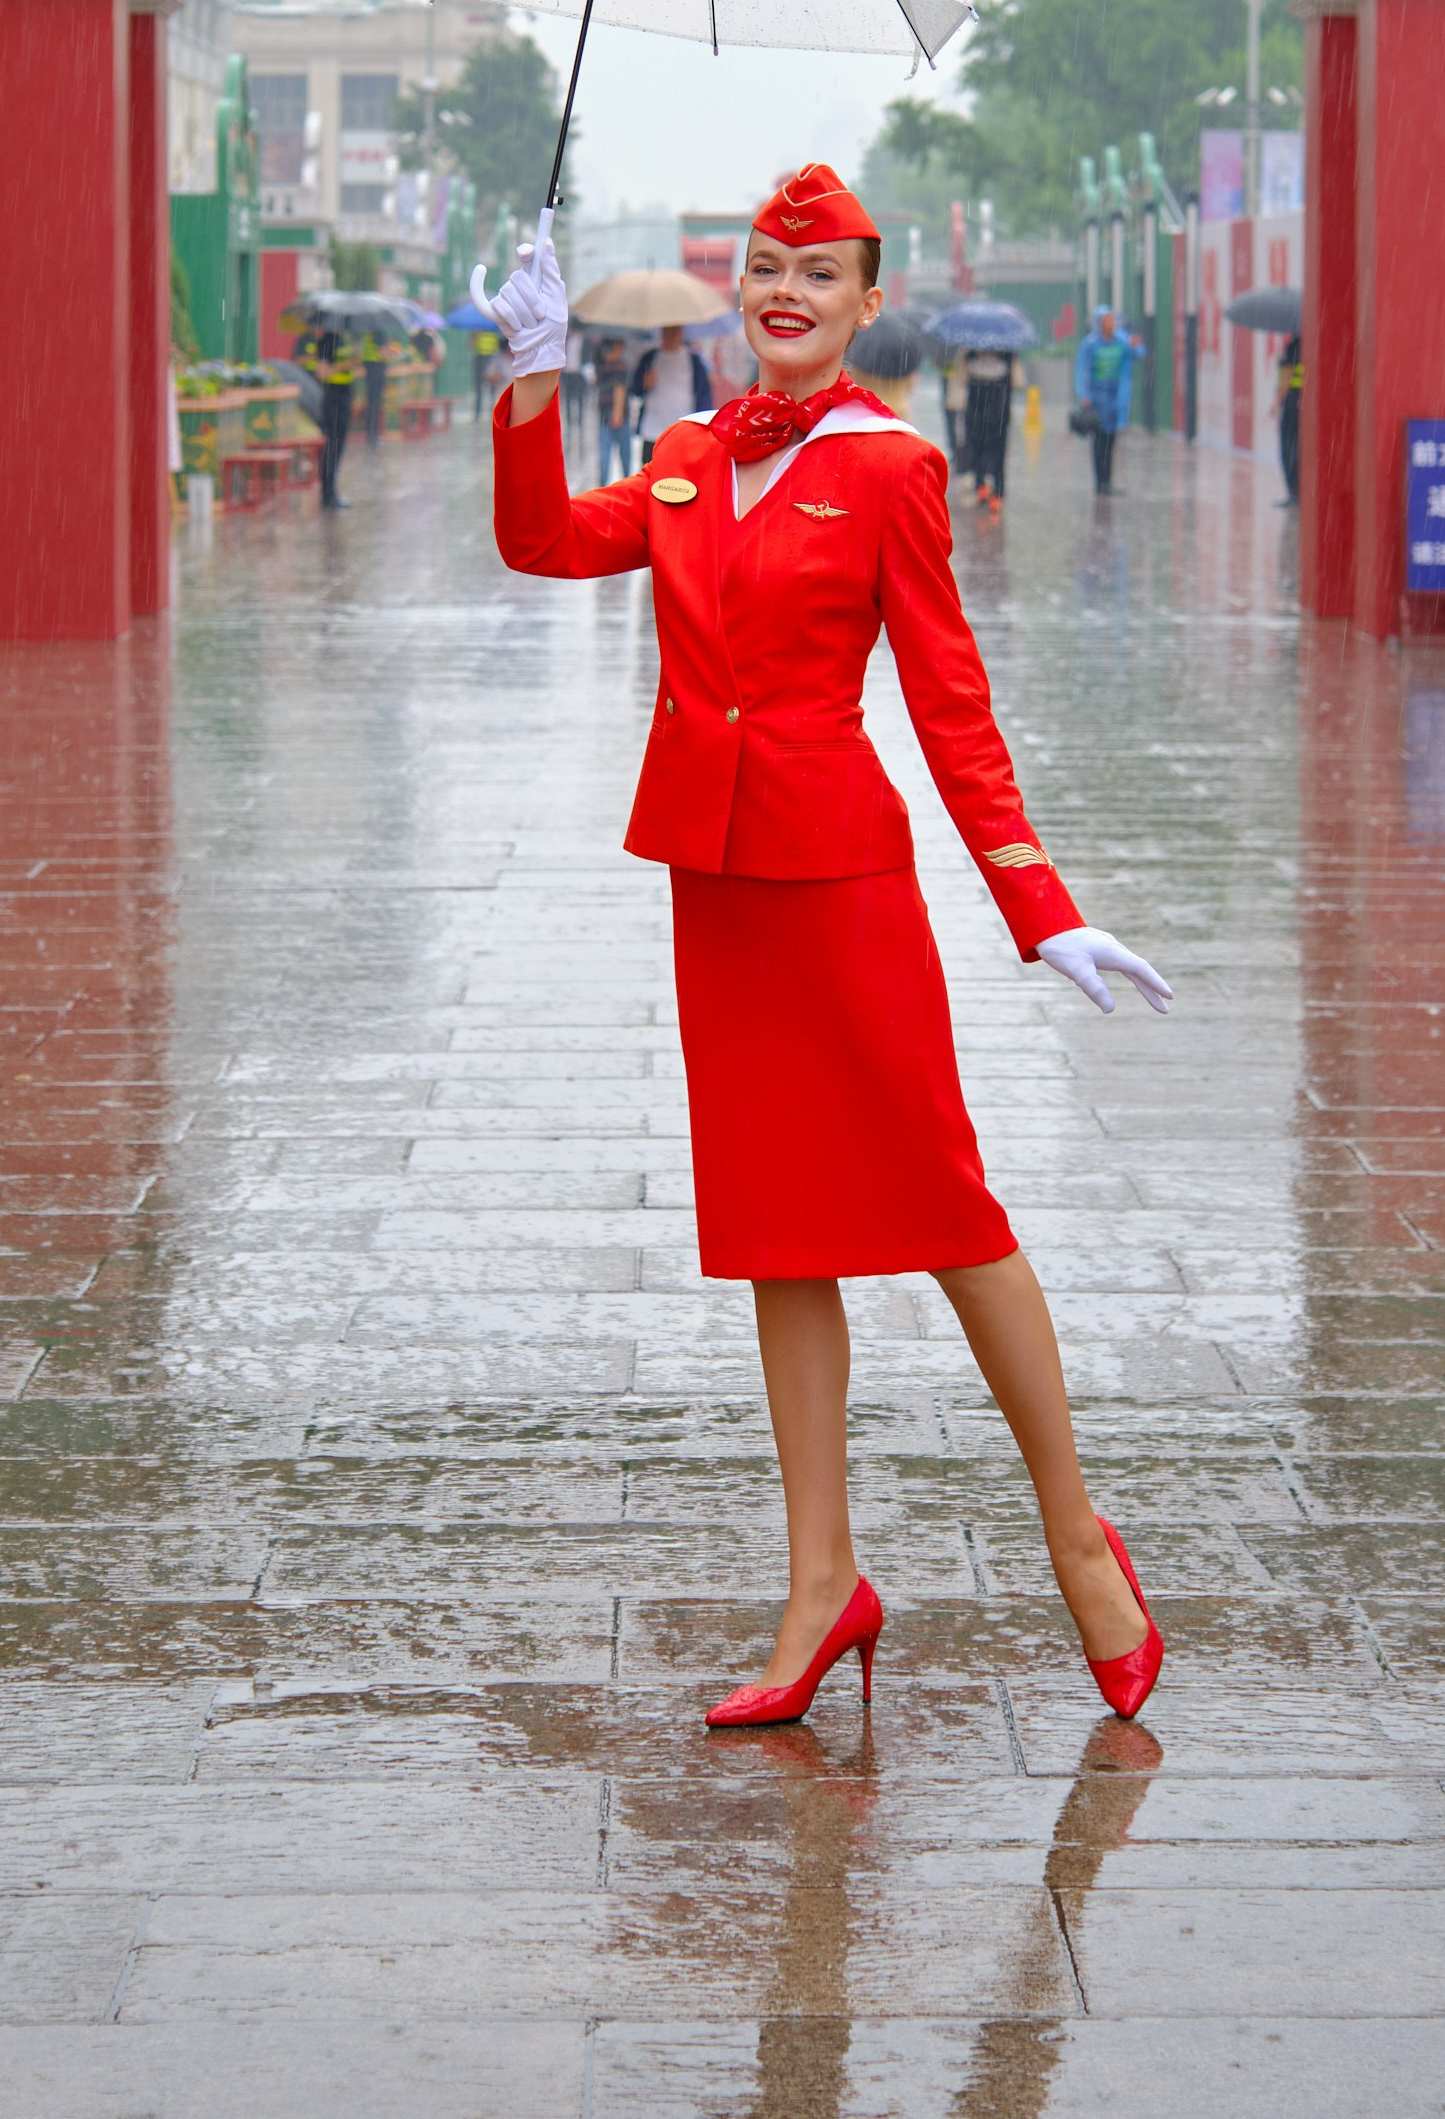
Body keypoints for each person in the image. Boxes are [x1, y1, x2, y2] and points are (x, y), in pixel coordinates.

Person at [487, 162, 1174, 1733]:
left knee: (943, 1202)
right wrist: (528, 380)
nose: (783, 290)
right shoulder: (677, 462)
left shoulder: (889, 468)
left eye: (819, 272)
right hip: (715, 883)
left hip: (843, 883)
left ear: (868, 303)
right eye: (764, 267)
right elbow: (537, 545)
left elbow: (950, 706)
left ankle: (1077, 1534)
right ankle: (821, 1590)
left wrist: (1038, 904)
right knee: (777, 1226)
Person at [1073, 308, 1141, 494]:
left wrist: (1135, 346)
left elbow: (1137, 353)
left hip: (1115, 397)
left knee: (1111, 440)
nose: (1111, 323)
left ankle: (1107, 482)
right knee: (1099, 440)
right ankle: (1100, 482)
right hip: (1097, 397)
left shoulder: (1121, 340)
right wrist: (1084, 395)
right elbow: (1082, 370)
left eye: (1113, 320)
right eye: (1107, 320)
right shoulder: (1090, 344)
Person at [634, 319, 713, 457]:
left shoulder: (692, 360)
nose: (670, 335)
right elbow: (635, 389)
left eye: (674, 331)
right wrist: (644, 383)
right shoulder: (650, 358)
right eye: (667, 331)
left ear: (681, 333)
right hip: (653, 430)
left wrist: (702, 427)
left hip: (682, 431)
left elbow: (703, 394)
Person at [308, 323, 356, 508]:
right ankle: (328, 493)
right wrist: (346, 364)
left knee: (339, 445)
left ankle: (332, 490)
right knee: (332, 445)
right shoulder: (326, 341)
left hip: (344, 398)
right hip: (333, 399)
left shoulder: (341, 340)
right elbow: (322, 372)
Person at [962, 346, 1013, 515]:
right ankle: (997, 494)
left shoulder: (971, 353)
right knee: (999, 453)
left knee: (977, 449)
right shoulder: (1007, 354)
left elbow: (962, 380)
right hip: (999, 414)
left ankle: (981, 486)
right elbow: (1016, 382)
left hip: (976, 413)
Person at [595, 338, 634, 483]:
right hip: (620, 416)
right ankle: (627, 485)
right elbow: (620, 388)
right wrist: (617, 413)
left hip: (604, 414)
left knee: (605, 453)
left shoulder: (602, 366)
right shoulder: (621, 366)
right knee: (625, 455)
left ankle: (602, 486)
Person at [1277, 333, 1302, 505]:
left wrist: (1277, 401)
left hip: (1292, 402)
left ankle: (1294, 492)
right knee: (1297, 445)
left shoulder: (1293, 346)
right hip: (1302, 402)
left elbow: (1287, 375)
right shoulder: (1309, 344)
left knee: (1288, 445)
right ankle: (1298, 490)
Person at [361, 326, 388, 446]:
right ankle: (374, 435)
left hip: (369, 370)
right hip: (377, 371)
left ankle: (370, 434)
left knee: (370, 404)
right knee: (375, 405)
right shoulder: (378, 333)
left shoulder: (366, 334)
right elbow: (383, 354)